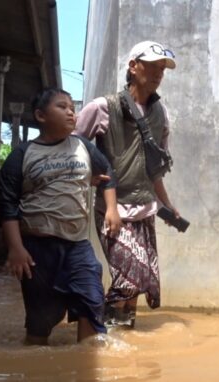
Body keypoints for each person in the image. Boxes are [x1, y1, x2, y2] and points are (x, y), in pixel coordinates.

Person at [0, 88, 122, 345]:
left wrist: (112, 208)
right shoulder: (22, 155)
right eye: (62, 107)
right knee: (40, 320)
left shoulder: (82, 147)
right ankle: (35, 363)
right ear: (41, 115)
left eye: (72, 108)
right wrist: (16, 248)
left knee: (91, 300)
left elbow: (106, 170)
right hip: (37, 249)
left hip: (77, 245)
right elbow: (7, 204)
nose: (71, 112)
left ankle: (87, 357)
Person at [75, 41, 179, 328]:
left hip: (145, 210)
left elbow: (155, 170)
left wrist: (168, 206)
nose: (159, 72)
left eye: (162, 68)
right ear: (134, 67)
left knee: (139, 282)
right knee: (128, 278)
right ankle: (94, 329)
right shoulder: (102, 107)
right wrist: (88, 175)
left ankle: (122, 338)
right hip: (113, 209)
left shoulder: (161, 114)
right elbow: (72, 148)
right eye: (153, 65)